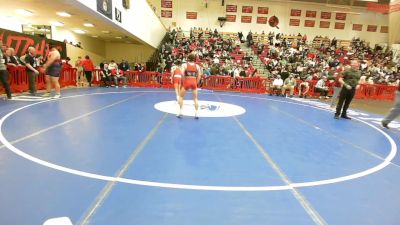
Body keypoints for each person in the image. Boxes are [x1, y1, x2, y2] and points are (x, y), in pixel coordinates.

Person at [177, 54, 202, 119]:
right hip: (194, 81)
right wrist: (196, 83)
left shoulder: (184, 65)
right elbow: (199, 76)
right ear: (194, 59)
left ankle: (180, 112)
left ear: (188, 58)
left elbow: (182, 73)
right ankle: (196, 114)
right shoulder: (197, 66)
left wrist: (184, 80)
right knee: (195, 98)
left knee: (181, 96)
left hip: (187, 81)